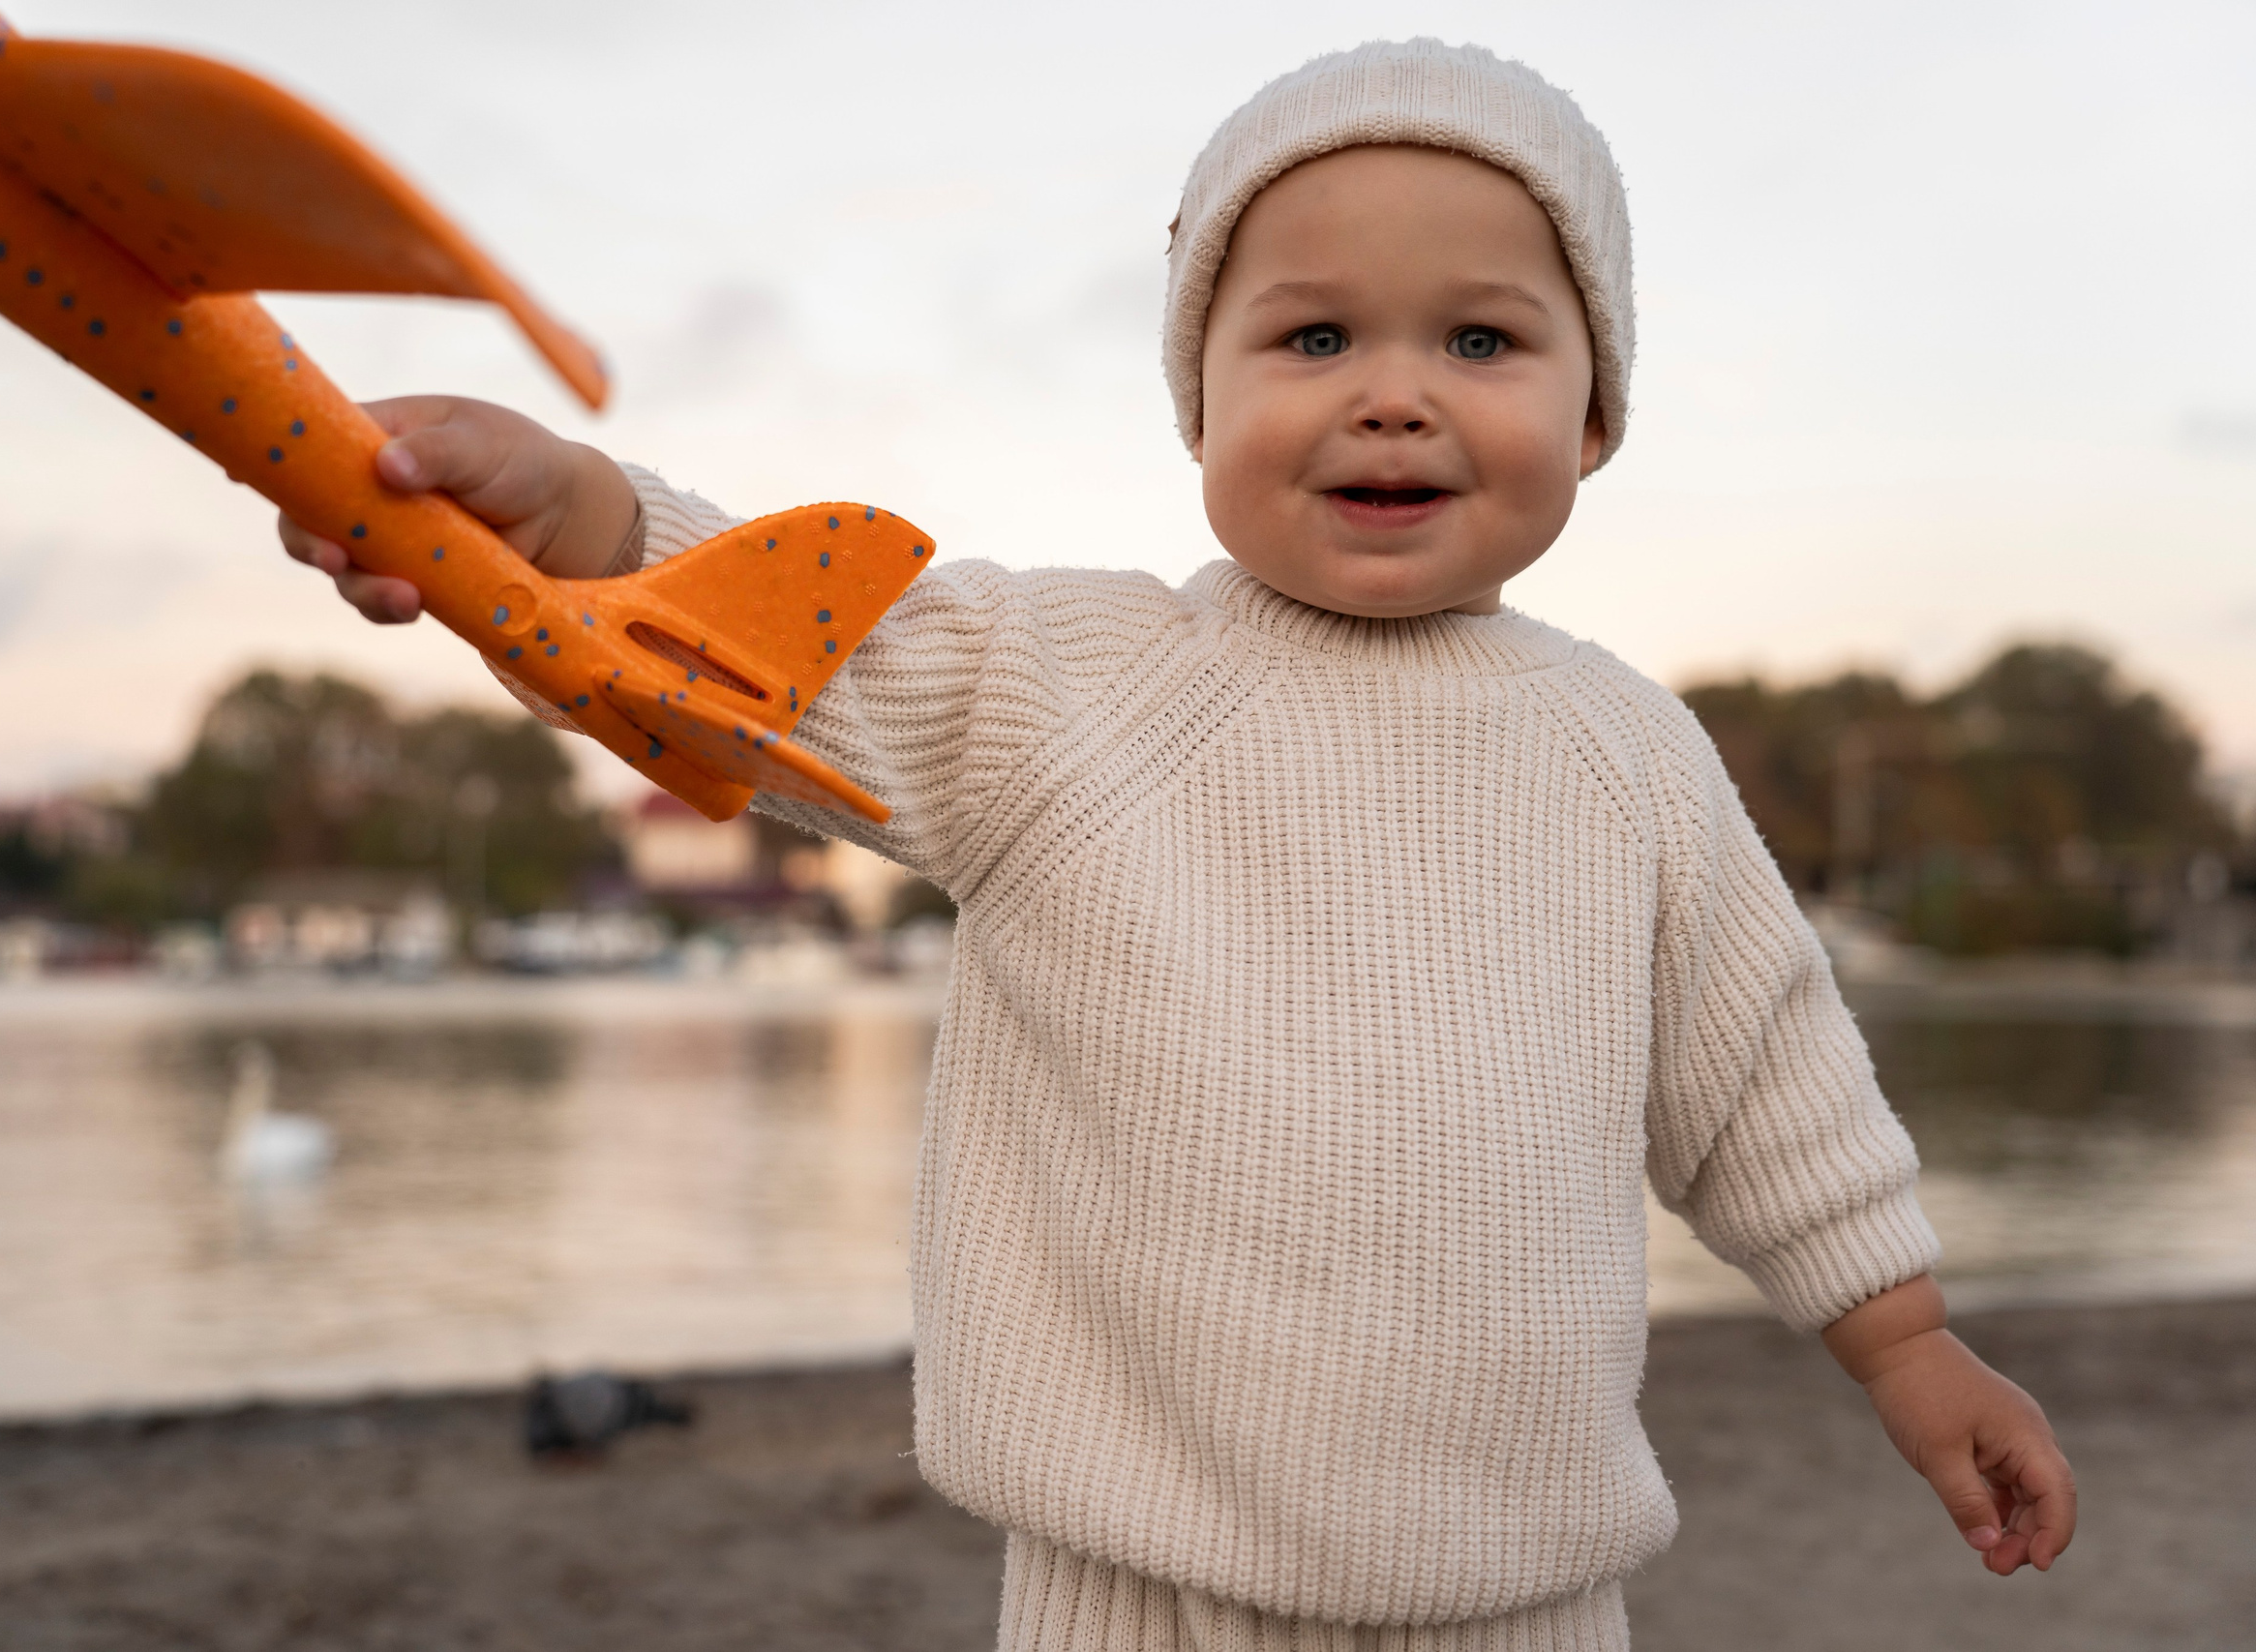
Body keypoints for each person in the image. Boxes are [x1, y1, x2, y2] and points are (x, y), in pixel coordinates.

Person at [282, 40, 2075, 1650]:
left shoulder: (1630, 758)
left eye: (1482, 339)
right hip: (1137, 1588)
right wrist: (579, 525)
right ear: (1197, 404)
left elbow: (1768, 1084)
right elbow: (772, 650)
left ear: (1594, 413)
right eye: (1313, 337)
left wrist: (1905, 1343)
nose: (1394, 393)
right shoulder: (1064, 686)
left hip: (1527, 1595)